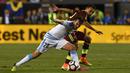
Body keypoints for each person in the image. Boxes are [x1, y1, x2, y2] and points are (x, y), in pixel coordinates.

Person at [11, 18, 81, 72]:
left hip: (58, 40)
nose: (77, 25)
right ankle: (17, 64)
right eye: (77, 23)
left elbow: (72, 36)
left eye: (79, 25)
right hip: (49, 39)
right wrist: (55, 19)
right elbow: (61, 21)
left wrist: (75, 44)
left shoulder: (72, 28)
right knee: (35, 55)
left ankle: (77, 65)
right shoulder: (69, 24)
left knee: (72, 48)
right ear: (74, 21)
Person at [50, 4, 103, 70]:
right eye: (91, 11)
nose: (92, 13)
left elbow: (69, 10)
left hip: (73, 31)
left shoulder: (80, 13)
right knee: (74, 47)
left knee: (88, 39)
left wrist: (59, 9)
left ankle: (83, 58)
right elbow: (85, 23)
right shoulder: (83, 13)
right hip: (68, 31)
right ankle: (65, 64)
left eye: (93, 12)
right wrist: (95, 30)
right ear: (88, 8)